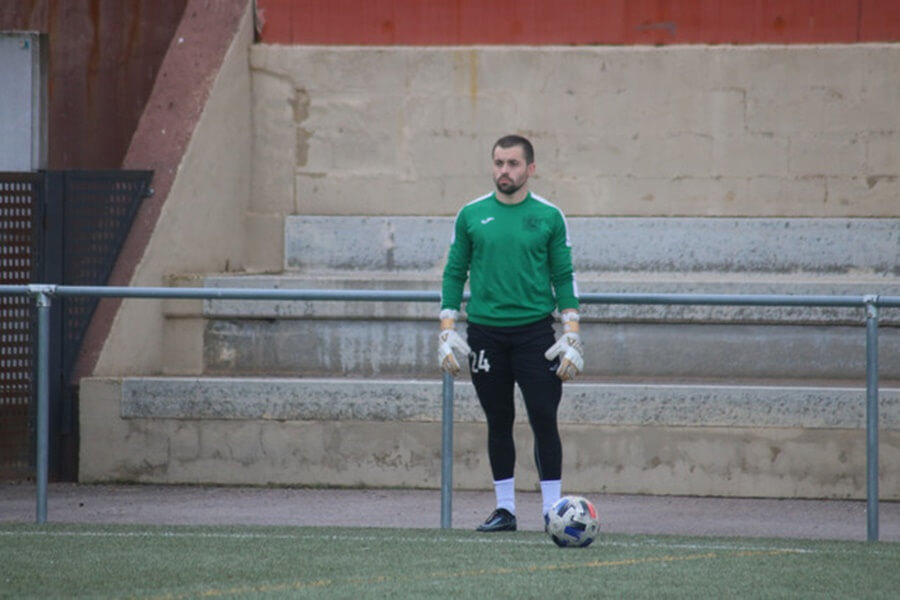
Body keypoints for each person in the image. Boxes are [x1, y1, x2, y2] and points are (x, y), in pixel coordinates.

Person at [438, 134, 583, 532]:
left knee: (543, 417)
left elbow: (563, 276)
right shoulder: (471, 214)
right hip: (485, 334)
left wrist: (572, 331)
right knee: (498, 420)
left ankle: (554, 512)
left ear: (530, 169)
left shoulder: (550, 216)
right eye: (499, 163)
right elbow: (454, 272)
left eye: (513, 164)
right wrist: (447, 327)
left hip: (536, 334)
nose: (505, 171)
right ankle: (506, 510)